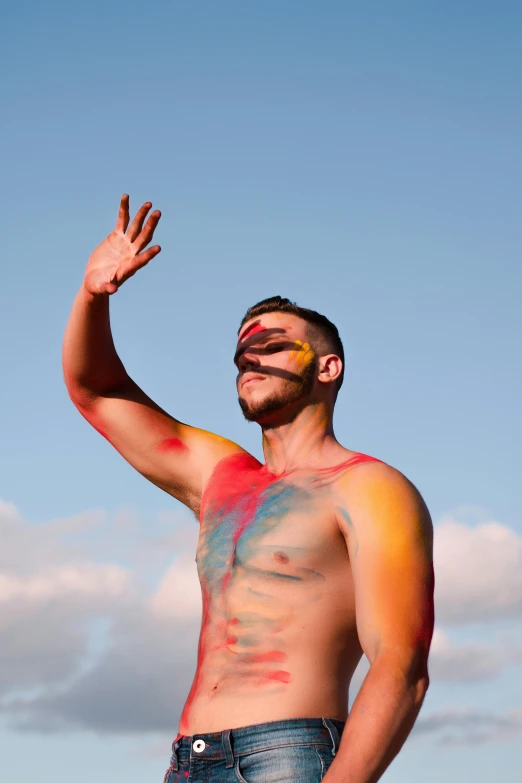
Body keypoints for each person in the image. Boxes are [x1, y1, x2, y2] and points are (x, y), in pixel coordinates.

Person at [62, 195, 434, 783]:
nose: (250, 358)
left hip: (289, 754)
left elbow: (400, 663)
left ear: (327, 367)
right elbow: (98, 392)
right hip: (189, 759)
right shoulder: (221, 478)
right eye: (241, 355)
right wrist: (92, 296)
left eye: (272, 346)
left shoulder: (369, 486)